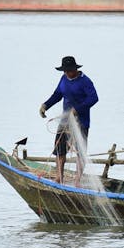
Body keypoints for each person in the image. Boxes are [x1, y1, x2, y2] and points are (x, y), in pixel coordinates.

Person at [39, 56, 99, 184]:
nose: (67, 73)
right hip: (65, 121)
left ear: (75, 69)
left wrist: (78, 109)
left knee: (80, 152)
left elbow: (94, 98)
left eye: (70, 70)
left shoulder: (85, 81)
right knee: (60, 150)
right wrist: (45, 105)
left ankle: (77, 180)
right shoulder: (64, 78)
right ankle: (59, 177)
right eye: (65, 71)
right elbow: (57, 94)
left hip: (81, 121)